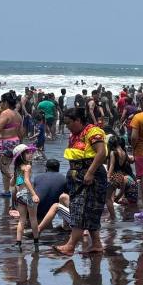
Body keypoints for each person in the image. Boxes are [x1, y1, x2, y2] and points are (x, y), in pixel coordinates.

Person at [53, 108, 107, 256]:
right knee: (89, 211)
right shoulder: (75, 135)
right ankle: (96, 244)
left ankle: (70, 246)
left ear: (78, 120)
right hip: (77, 177)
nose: (67, 127)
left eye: (69, 123)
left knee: (80, 210)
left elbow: (101, 152)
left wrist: (90, 173)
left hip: (90, 176)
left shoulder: (93, 131)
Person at [11, 144, 40, 248]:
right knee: (33, 218)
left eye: (30, 152)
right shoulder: (27, 167)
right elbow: (27, 181)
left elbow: (13, 183)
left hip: (19, 195)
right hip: (27, 195)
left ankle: (18, 241)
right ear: (21, 156)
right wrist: (34, 194)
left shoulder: (17, 168)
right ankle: (36, 241)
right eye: (27, 153)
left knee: (22, 219)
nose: (30, 154)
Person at [34, 158, 68, 226]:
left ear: (46, 168)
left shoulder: (37, 177)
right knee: (64, 196)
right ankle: (66, 225)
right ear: (58, 168)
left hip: (34, 209)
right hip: (50, 211)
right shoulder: (63, 178)